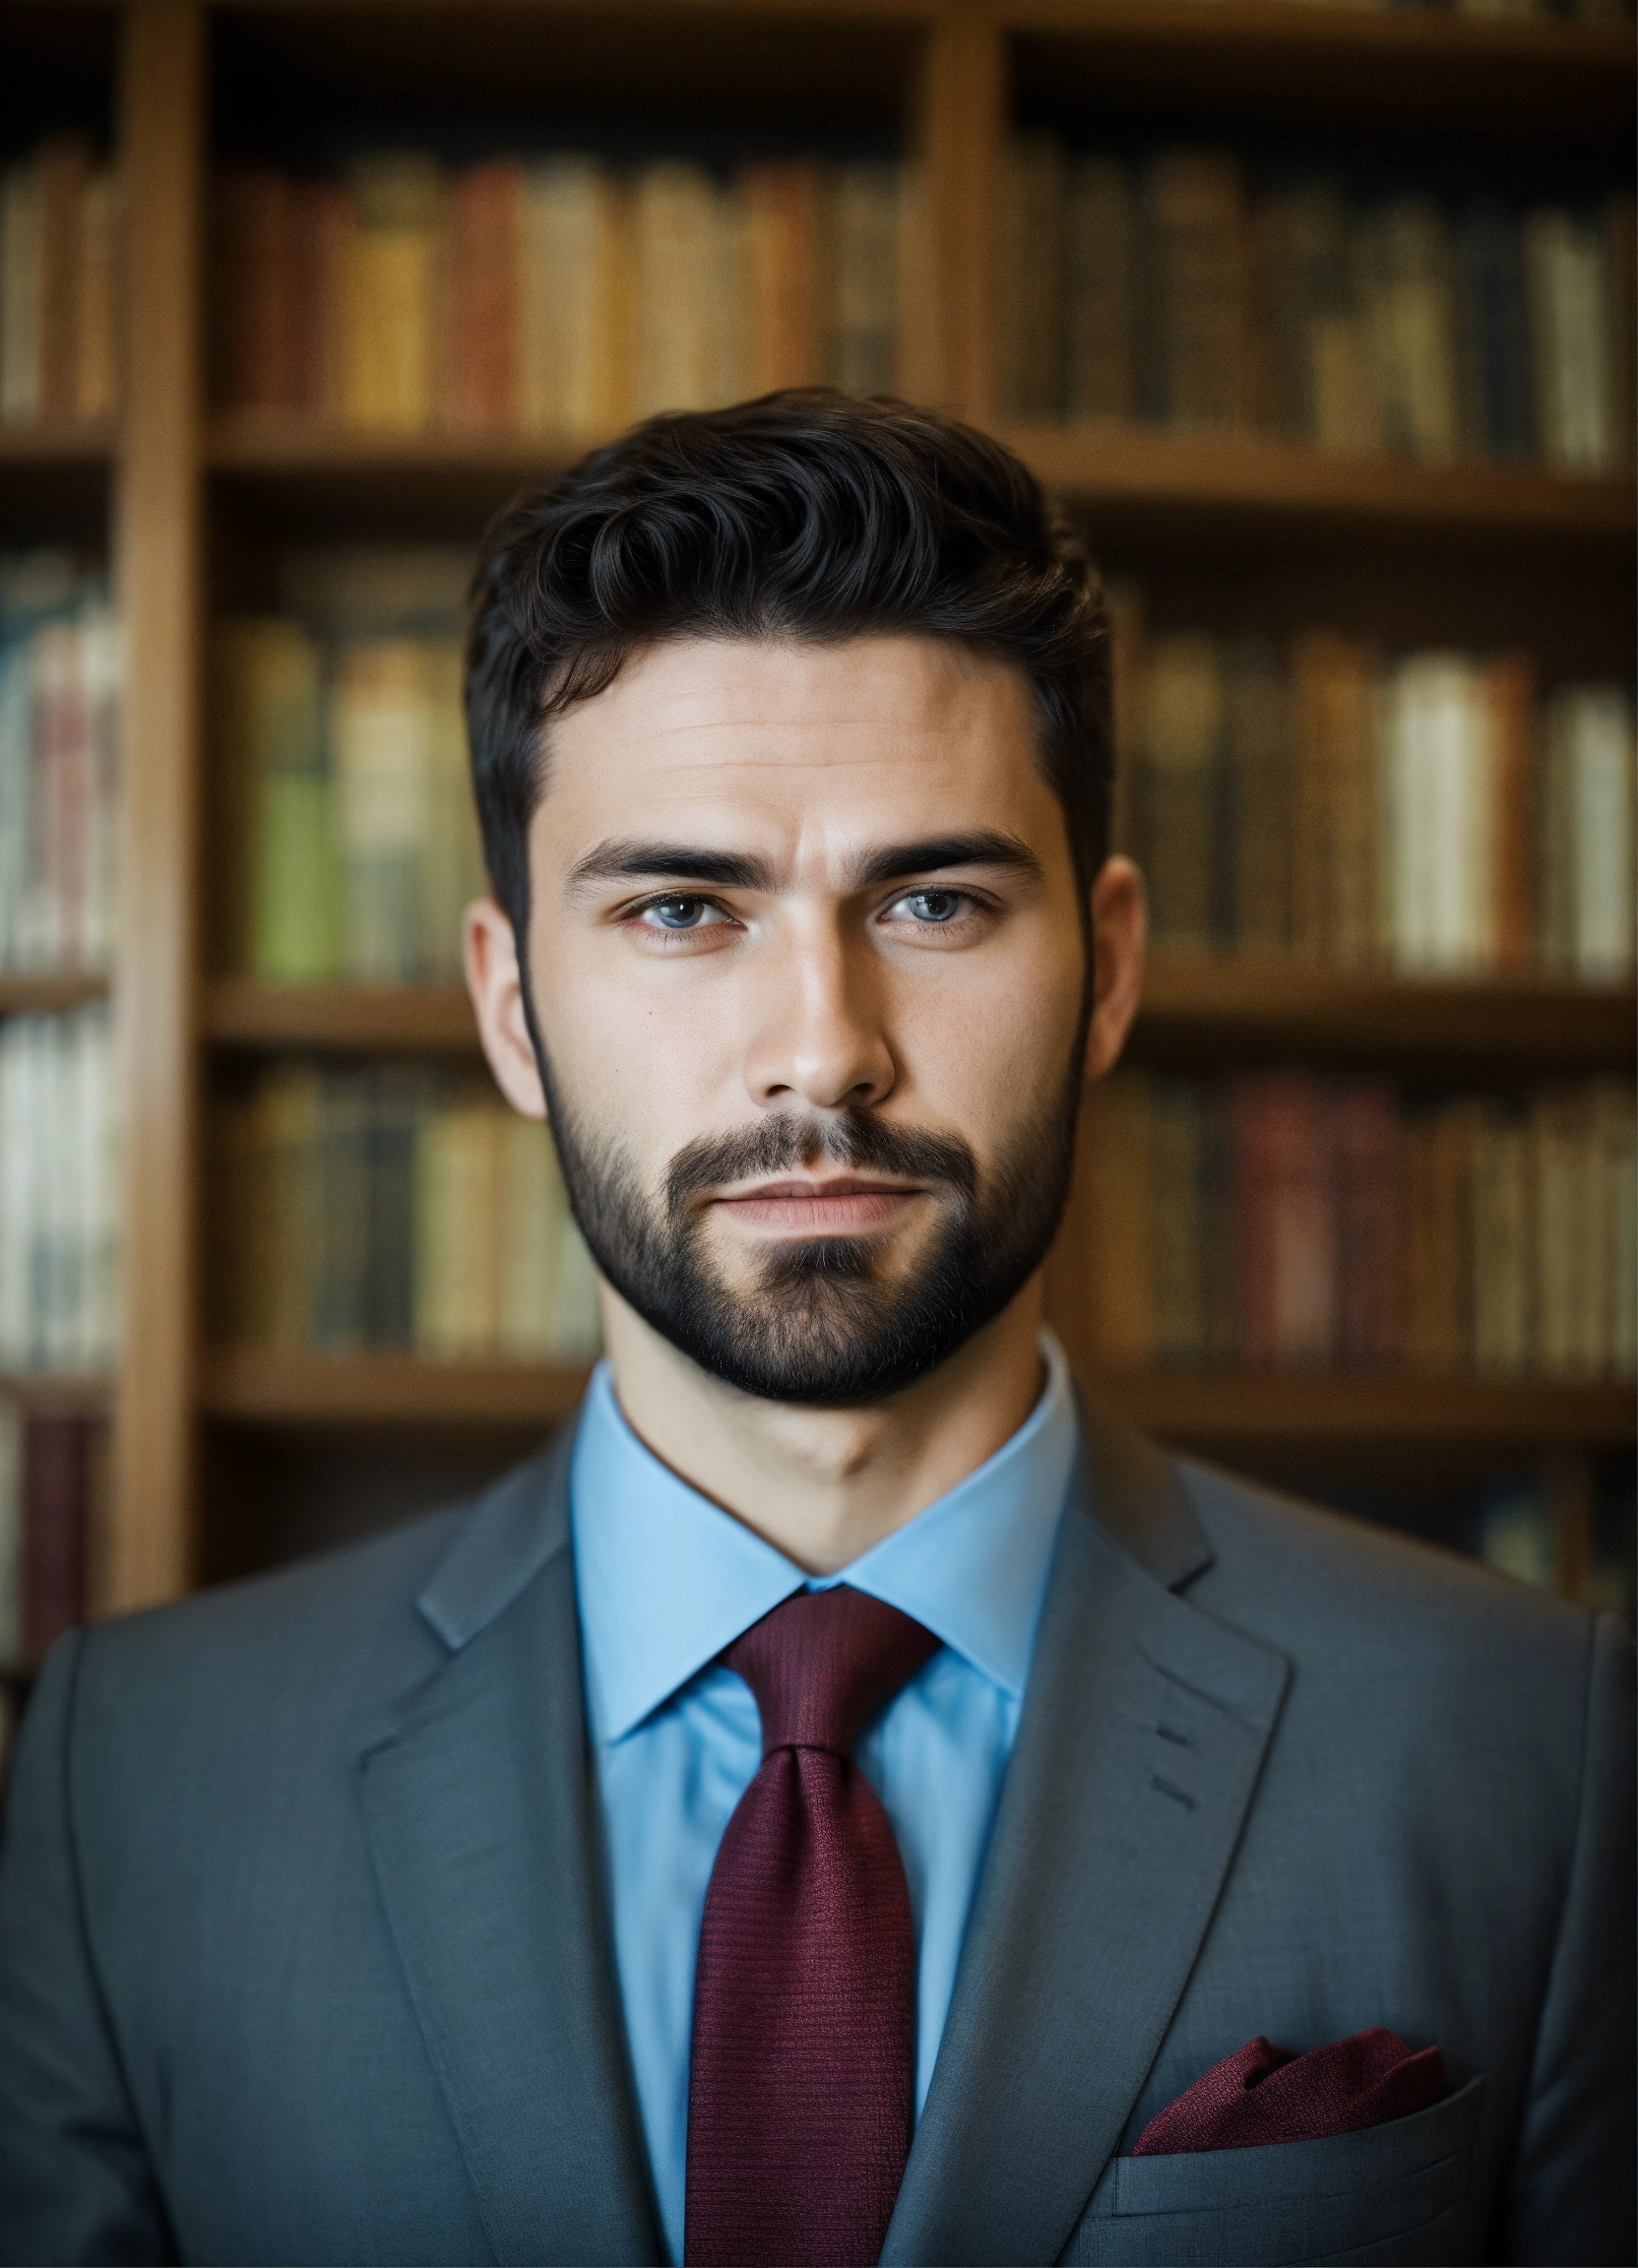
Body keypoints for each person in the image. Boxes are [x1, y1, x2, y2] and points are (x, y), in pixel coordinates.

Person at [0, 394, 1630, 2268]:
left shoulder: (1536, 1755)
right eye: (684, 909)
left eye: (934, 899)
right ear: (511, 1005)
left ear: (1106, 970)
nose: (823, 1045)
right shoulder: (134, 1776)